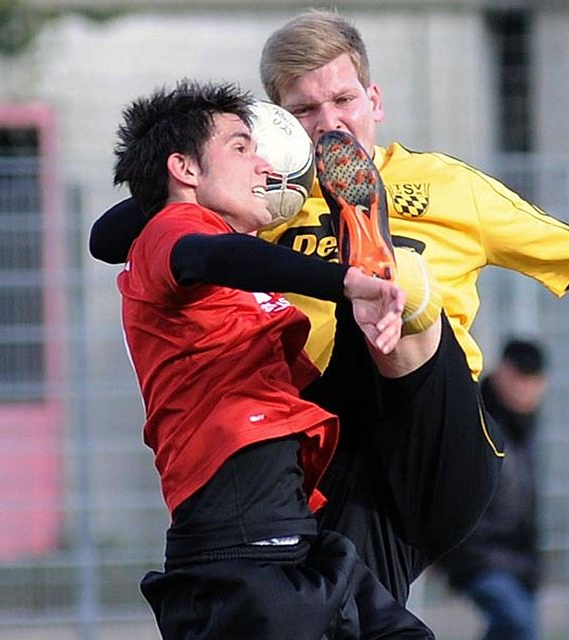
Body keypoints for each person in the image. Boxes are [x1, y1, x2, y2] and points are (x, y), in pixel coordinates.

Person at [89, 9, 569, 604]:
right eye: (303, 111)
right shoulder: (258, 203)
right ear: (274, 125)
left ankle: (384, 270)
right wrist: (220, 178)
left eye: (343, 100)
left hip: (437, 431)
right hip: (338, 457)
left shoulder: (447, 187)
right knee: (339, 614)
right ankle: (374, 281)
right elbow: (112, 236)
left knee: (401, 301)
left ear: (375, 98)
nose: (330, 123)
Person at [110, 78, 434, 638]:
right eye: (241, 148)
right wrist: (344, 282)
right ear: (184, 169)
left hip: (292, 533)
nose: (264, 165)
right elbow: (211, 255)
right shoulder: (172, 230)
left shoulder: (241, 284)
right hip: (239, 540)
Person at [438, 338, 549, 640]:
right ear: (502, 373)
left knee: (517, 629)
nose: (525, 388)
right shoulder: (476, 416)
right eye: (519, 377)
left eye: (532, 380)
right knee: (518, 625)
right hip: (475, 553)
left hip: (517, 558)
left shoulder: (524, 427)